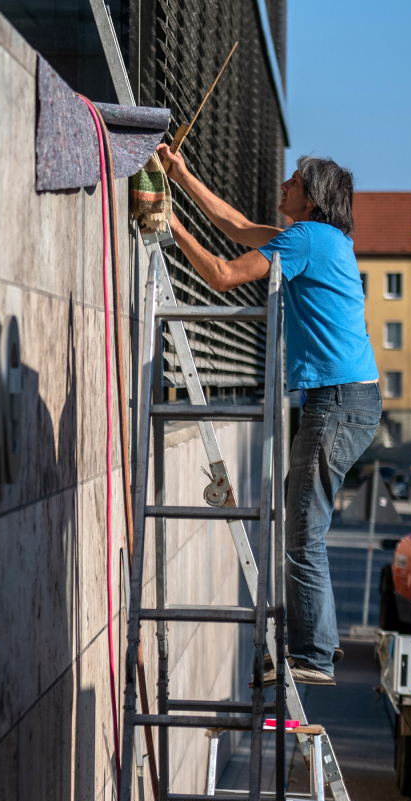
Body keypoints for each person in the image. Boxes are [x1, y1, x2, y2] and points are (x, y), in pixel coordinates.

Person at [155, 142, 380, 685]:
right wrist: (180, 175)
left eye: (293, 184)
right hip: (348, 400)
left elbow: (223, 275)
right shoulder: (324, 240)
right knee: (303, 523)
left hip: (338, 402)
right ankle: (312, 647)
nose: (283, 187)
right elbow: (233, 225)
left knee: (303, 531)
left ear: (312, 199)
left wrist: (168, 228)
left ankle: (314, 656)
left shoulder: (306, 239)